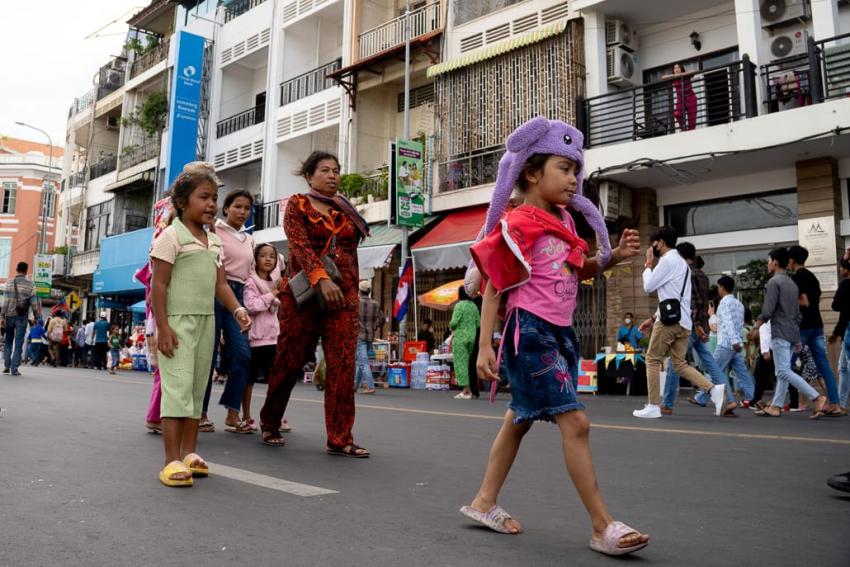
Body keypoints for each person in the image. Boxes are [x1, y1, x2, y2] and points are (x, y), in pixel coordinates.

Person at [460, 117, 648, 556]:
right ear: (531, 172)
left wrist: (613, 257)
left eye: (575, 170)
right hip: (530, 334)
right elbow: (493, 287)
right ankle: (603, 526)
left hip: (560, 334)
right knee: (576, 422)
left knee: (520, 418)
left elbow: (581, 269)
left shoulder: (565, 221)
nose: (573, 179)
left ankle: (483, 501)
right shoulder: (518, 223)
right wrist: (486, 344)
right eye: (564, 168)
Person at [259, 151, 370, 456]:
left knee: (343, 365)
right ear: (309, 175)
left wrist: (345, 289)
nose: (333, 175)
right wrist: (321, 278)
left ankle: (340, 437)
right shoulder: (297, 204)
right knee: (290, 360)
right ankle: (270, 421)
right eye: (325, 170)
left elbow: (350, 251)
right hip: (304, 296)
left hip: (343, 296)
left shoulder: (347, 209)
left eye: (336, 170)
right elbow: (300, 245)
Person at [150, 168, 251, 487]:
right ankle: (170, 461)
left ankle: (190, 453)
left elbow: (221, 285)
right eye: (203, 197)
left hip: (207, 323)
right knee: (177, 389)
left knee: (195, 391)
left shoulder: (213, 241)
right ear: (182, 202)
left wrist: (236, 309)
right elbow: (159, 286)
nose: (210, 204)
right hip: (177, 323)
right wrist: (163, 327)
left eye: (214, 198)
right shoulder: (171, 236)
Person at [637, 228, 726, 418]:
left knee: (652, 359)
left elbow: (648, 286)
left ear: (660, 242)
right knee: (679, 364)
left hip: (669, 322)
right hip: (684, 323)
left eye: (654, 243)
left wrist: (648, 265)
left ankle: (653, 406)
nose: (653, 247)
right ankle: (713, 390)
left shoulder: (667, 261)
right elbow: (673, 296)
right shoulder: (682, 264)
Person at [200, 189, 256, 433]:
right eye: (237, 207)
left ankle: (232, 413)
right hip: (214, 291)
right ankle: (200, 413)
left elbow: (251, 273)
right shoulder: (214, 229)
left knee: (243, 355)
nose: (242, 212)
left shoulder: (249, 239)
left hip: (239, 295)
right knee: (207, 355)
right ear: (226, 208)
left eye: (247, 208)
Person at [748, 247, 827, 418]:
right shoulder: (792, 283)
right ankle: (776, 406)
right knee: (782, 371)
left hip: (781, 332)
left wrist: (756, 326)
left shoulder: (774, 282)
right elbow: (798, 314)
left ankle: (817, 397)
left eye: (769, 261)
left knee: (783, 371)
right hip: (793, 332)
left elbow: (768, 310)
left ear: (775, 263)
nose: (768, 264)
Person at [657, 243, 728, 414]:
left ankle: (667, 403)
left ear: (680, 255)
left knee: (676, 363)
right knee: (711, 364)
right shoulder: (703, 275)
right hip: (702, 326)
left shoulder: (686, 273)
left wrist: (695, 325)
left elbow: (692, 302)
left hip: (691, 326)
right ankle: (729, 399)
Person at [788, 245, 843, 416]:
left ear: (792, 260)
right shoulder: (813, 278)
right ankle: (835, 403)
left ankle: (813, 398)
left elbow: (803, 302)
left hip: (802, 328)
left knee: (786, 365)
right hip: (817, 326)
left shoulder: (797, 278)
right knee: (824, 366)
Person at [240, 243, 282, 433]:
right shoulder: (251, 281)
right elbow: (251, 306)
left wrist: (274, 296)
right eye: (263, 255)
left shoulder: (275, 282)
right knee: (249, 380)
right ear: (255, 259)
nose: (267, 259)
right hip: (255, 339)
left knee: (275, 380)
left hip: (273, 338)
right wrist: (271, 296)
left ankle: (273, 416)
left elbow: (273, 308)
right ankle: (246, 416)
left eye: (271, 256)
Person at [712, 275, 755, 415]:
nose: (718, 290)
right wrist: (738, 342)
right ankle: (753, 397)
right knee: (743, 374)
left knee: (715, 371)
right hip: (737, 345)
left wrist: (734, 341)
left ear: (722, 288)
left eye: (719, 287)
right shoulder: (739, 304)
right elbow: (739, 325)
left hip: (726, 343)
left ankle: (727, 400)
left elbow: (729, 322)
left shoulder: (724, 303)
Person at [2, 262, 40, 375]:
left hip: (9, 316)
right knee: (18, 342)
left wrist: (1, 316)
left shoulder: (8, 283)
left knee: (8, 341)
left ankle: (6, 366)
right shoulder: (31, 284)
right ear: (26, 271)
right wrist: (36, 317)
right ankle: (14, 369)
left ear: (16, 269)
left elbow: (5, 303)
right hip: (22, 317)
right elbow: (34, 303)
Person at [355, 280, 385, 395]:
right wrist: (374, 326)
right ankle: (355, 386)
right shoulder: (375, 304)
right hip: (370, 336)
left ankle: (370, 386)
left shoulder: (356, 303)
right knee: (361, 362)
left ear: (359, 291)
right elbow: (382, 319)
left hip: (359, 336)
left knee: (363, 362)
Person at [450, 286, 480, 400]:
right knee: (468, 364)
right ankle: (471, 390)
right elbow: (478, 323)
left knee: (460, 364)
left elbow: (453, 322)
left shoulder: (459, 305)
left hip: (460, 338)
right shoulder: (474, 306)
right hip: (472, 338)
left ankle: (466, 391)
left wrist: (452, 326)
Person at [830, 259, 850, 414]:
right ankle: (841, 404)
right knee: (842, 368)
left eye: (842, 268)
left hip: (849, 331)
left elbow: (836, 306)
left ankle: (841, 404)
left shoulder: (846, 285)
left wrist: (837, 332)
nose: (840, 271)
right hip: (846, 331)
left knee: (845, 368)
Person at [662, 63, 697, 131]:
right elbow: (663, 77)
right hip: (680, 100)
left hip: (691, 98)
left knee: (692, 120)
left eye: (678, 68)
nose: (676, 69)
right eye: (675, 68)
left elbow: (693, 71)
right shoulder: (674, 78)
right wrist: (675, 75)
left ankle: (690, 133)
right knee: (677, 114)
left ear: (681, 69)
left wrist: (682, 74)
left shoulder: (686, 75)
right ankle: (683, 129)